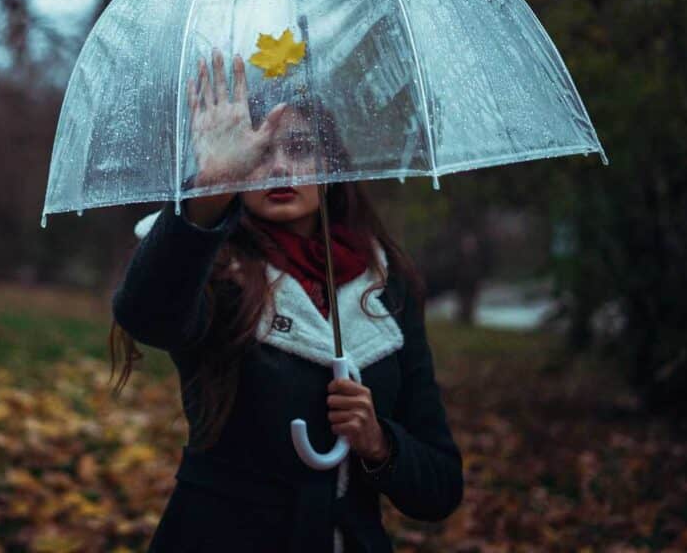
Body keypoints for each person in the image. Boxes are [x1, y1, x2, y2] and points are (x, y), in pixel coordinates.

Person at [109, 50, 464, 552]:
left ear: (332, 162)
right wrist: (209, 189)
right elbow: (146, 316)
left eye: (300, 148)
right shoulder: (209, 266)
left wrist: (379, 444)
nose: (279, 167)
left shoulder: (388, 281)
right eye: (259, 153)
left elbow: (441, 488)